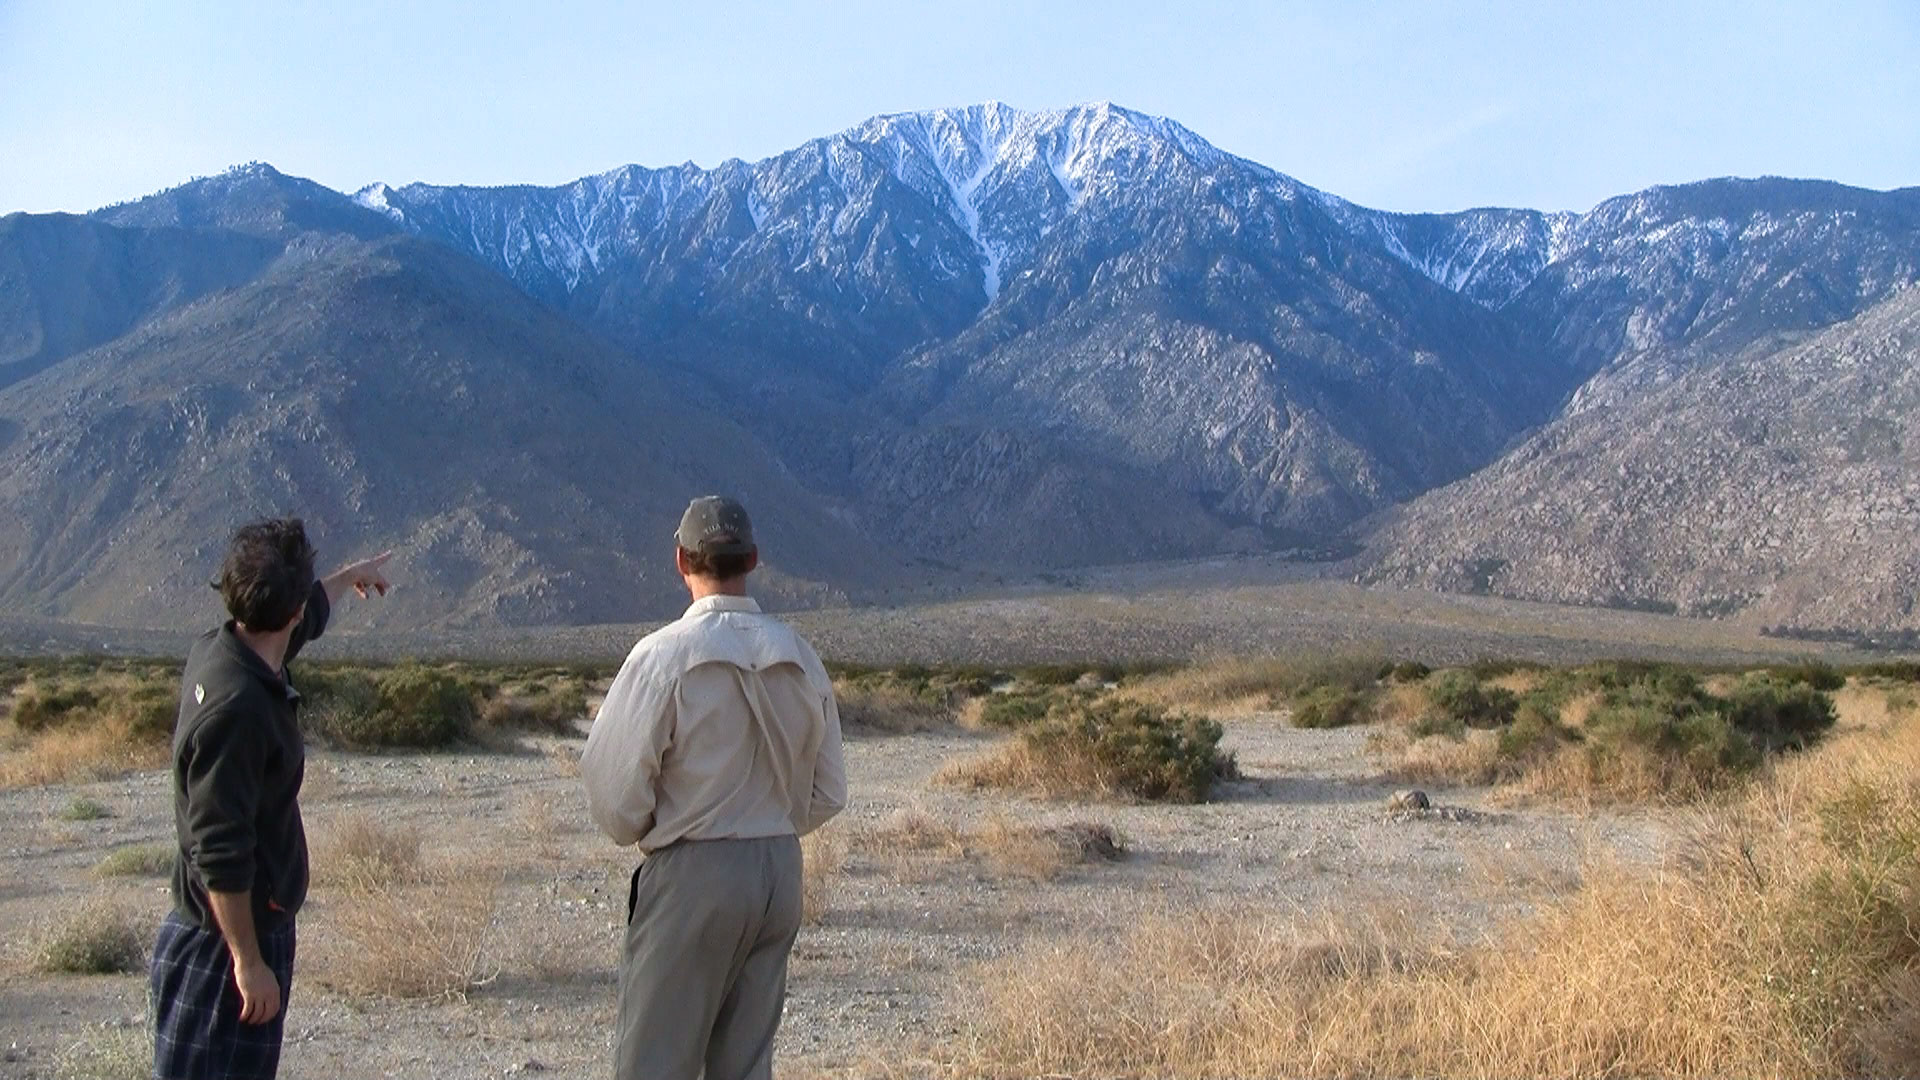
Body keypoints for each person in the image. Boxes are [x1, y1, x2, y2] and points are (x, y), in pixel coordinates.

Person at [582, 495, 847, 1080]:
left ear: (681, 560)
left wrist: (678, 832)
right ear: (753, 559)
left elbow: (612, 799)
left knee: (654, 1062)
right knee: (746, 1066)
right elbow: (829, 791)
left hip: (692, 873)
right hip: (779, 873)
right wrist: (768, 824)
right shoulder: (799, 656)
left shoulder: (662, 658)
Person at [151, 518, 391, 1080]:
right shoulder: (238, 711)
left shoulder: (229, 649)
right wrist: (248, 960)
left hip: (234, 934)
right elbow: (220, 851)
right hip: (221, 947)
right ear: (290, 614)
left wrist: (348, 577)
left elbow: (302, 615)